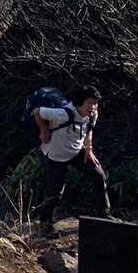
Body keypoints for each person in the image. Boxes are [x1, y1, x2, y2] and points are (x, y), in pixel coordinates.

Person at [33, 85, 109, 233]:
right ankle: (45, 222)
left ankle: (104, 215)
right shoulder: (63, 114)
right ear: (80, 102)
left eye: (95, 103)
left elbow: (89, 128)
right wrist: (44, 130)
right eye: (89, 103)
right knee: (56, 192)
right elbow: (37, 112)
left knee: (99, 176)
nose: (93, 107)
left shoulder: (92, 114)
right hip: (56, 155)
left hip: (76, 151)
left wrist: (89, 149)